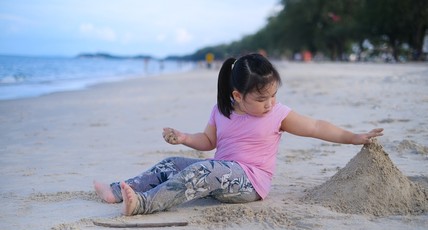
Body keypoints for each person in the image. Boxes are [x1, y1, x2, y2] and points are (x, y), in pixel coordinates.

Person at [93, 53, 383, 216]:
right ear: (237, 95)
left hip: (250, 183)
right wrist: (183, 137)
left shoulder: (278, 114)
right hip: (221, 173)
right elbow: (208, 142)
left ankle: (143, 204)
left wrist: (354, 136)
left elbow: (317, 127)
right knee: (172, 163)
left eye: (273, 95)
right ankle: (117, 190)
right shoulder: (222, 110)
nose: (270, 103)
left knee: (205, 171)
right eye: (261, 98)